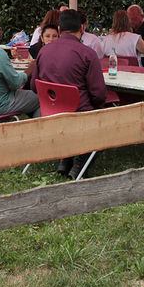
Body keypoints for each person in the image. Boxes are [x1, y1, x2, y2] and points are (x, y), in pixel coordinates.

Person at [34, 9, 108, 177]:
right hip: (79, 112)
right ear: (82, 29)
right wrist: (96, 106)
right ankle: (79, 164)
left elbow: (34, 86)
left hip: (51, 111)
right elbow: (99, 94)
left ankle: (65, 159)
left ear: (59, 30)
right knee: (106, 125)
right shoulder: (87, 54)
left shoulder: (43, 52)